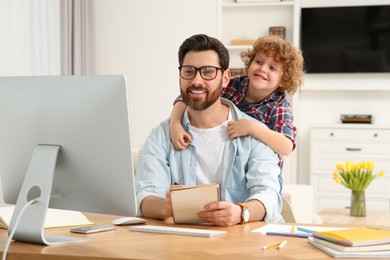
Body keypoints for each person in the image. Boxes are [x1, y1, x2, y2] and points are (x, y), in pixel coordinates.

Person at [135, 34, 282, 227]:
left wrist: (241, 212)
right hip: (182, 242)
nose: (197, 80)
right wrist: (165, 207)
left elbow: (269, 194)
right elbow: (145, 194)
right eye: (189, 71)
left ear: (225, 78)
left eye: (208, 72)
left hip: (243, 240)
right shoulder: (161, 135)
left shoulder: (254, 132)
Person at [169, 35, 304, 174]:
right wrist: (175, 124)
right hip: (225, 161)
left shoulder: (279, 106)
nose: (263, 69)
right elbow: (187, 97)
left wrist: (252, 128)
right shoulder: (234, 83)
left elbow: (286, 147)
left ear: (284, 80)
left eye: (272, 68)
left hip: (260, 171)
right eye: (258, 61)